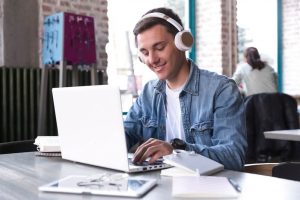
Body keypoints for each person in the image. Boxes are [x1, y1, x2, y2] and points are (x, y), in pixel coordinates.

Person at [124, 7, 247, 171]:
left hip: (210, 190)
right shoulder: (148, 93)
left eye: (159, 47)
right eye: (145, 53)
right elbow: (124, 136)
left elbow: (233, 156)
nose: (152, 59)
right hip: (161, 189)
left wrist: (176, 151)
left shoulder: (221, 90)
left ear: (182, 42)